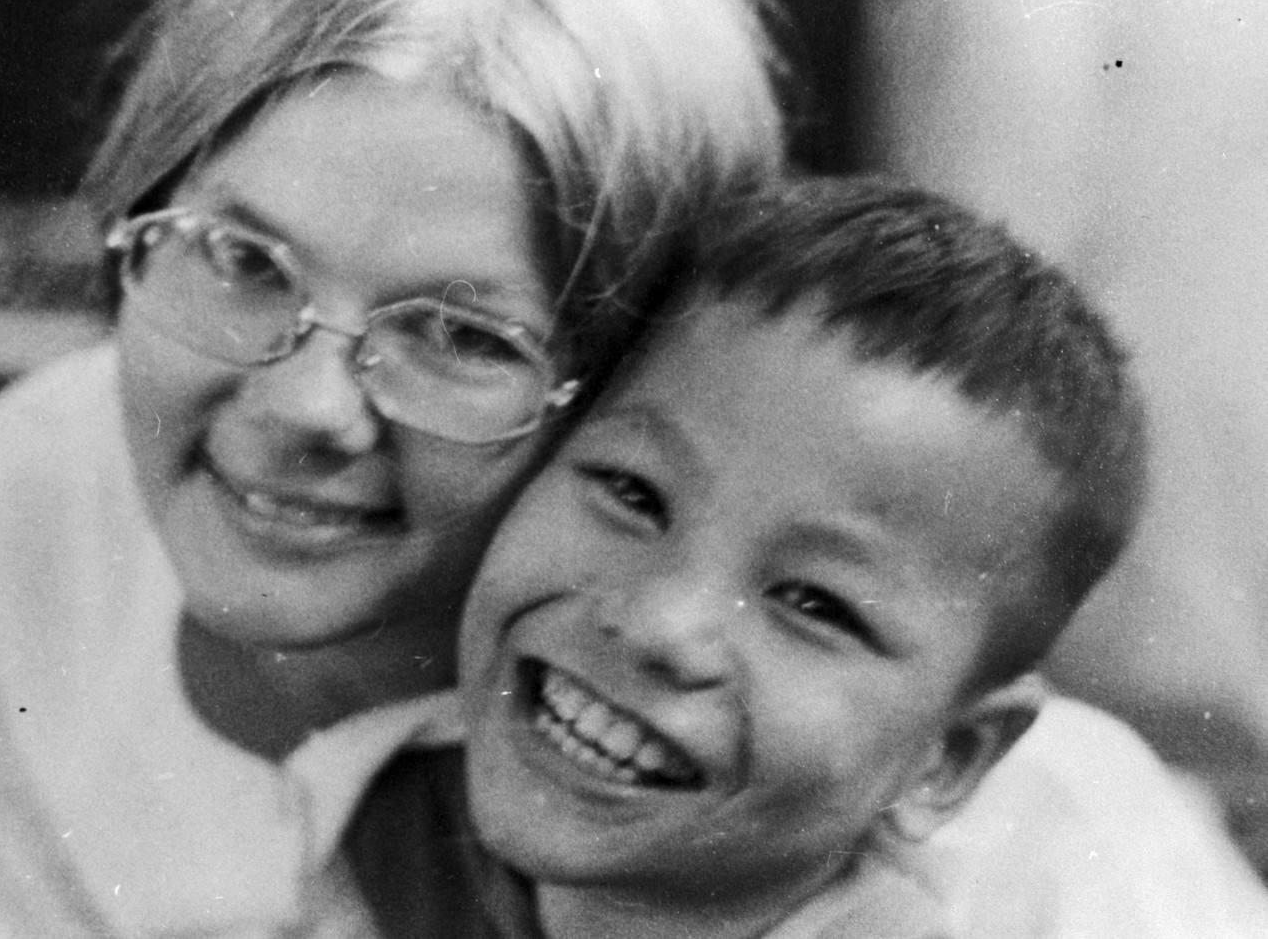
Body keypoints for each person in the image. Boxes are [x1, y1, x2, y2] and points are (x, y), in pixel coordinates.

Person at [0, 0, 785, 936]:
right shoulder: (22, 500)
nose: (306, 406)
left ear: (628, 381)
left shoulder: (704, 696)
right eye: (242, 259)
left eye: (457, 334)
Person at [346, 177, 1268, 938]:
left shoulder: (1063, 898)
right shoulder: (376, 820)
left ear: (945, 760)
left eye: (814, 603)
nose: (662, 624)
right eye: (634, 495)